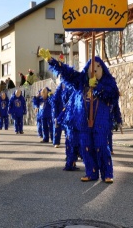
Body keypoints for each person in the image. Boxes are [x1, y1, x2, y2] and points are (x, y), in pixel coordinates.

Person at [39, 48, 119, 184]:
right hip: (84, 122)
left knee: (101, 145)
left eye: (98, 67)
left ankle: (107, 174)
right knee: (86, 146)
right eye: (92, 67)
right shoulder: (80, 81)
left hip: (100, 121)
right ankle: (91, 173)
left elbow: (112, 95)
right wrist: (51, 61)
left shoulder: (109, 82)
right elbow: (67, 73)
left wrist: (98, 87)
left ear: (103, 69)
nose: (95, 70)